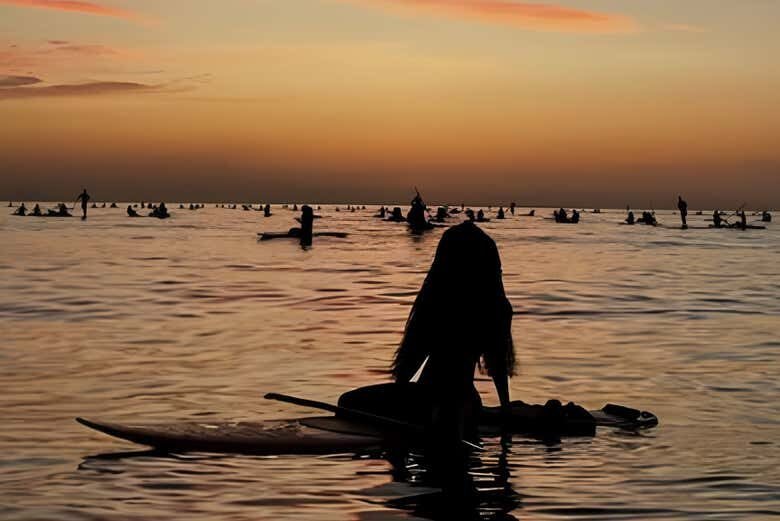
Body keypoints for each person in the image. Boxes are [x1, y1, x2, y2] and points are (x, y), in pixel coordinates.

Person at [391, 221, 514, 485]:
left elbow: (412, 358)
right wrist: (505, 411)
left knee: (349, 401)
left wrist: (397, 405)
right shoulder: (496, 307)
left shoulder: (437, 302)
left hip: (438, 402)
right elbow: (498, 363)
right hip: (456, 402)